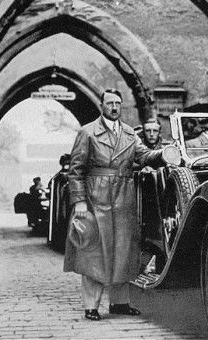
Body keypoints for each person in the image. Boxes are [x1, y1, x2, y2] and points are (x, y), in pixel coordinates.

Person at [64, 88, 164, 321]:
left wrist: (162, 154)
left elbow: (144, 156)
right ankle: (91, 305)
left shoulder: (129, 133)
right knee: (94, 252)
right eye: (110, 103)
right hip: (95, 196)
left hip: (124, 196)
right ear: (102, 106)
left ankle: (120, 303)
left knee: (123, 250)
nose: (114, 107)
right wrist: (79, 201)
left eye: (118, 103)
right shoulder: (87, 132)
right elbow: (75, 170)